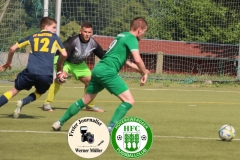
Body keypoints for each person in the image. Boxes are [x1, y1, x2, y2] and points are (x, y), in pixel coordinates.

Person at [52, 17, 149, 131]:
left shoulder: (122, 35)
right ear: (139, 30)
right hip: (108, 72)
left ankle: (59, 122)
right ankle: (110, 128)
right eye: (144, 32)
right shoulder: (132, 38)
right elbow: (137, 59)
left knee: (85, 100)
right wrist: (144, 72)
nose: (143, 34)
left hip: (98, 70)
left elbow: (125, 61)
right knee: (129, 101)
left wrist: (141, 71)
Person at [0, 17, 67, 118]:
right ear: (47, 26)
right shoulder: (54, 37)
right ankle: (23, 101)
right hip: (46, 74)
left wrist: (9, 62)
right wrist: (59, 67)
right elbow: (65, 54)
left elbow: (12, 48)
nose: (54, 30)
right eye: (54, 27)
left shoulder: (32, 36)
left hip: (30, 72)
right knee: (40, 92)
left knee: (14, 90)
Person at [42, 22, 105, 112]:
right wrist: (61, 72)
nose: (87, 34)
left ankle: (89, 105)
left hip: (78, 63)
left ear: (92, 33)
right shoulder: (72, 42)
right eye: (85, 32)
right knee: (60, 79)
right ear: (80, 31)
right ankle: (47, 103)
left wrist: (113, 66)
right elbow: (63, 56)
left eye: (89, 32)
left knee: (92, 82)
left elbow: (103, 56)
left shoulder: (93, 44)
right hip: (63, 60)